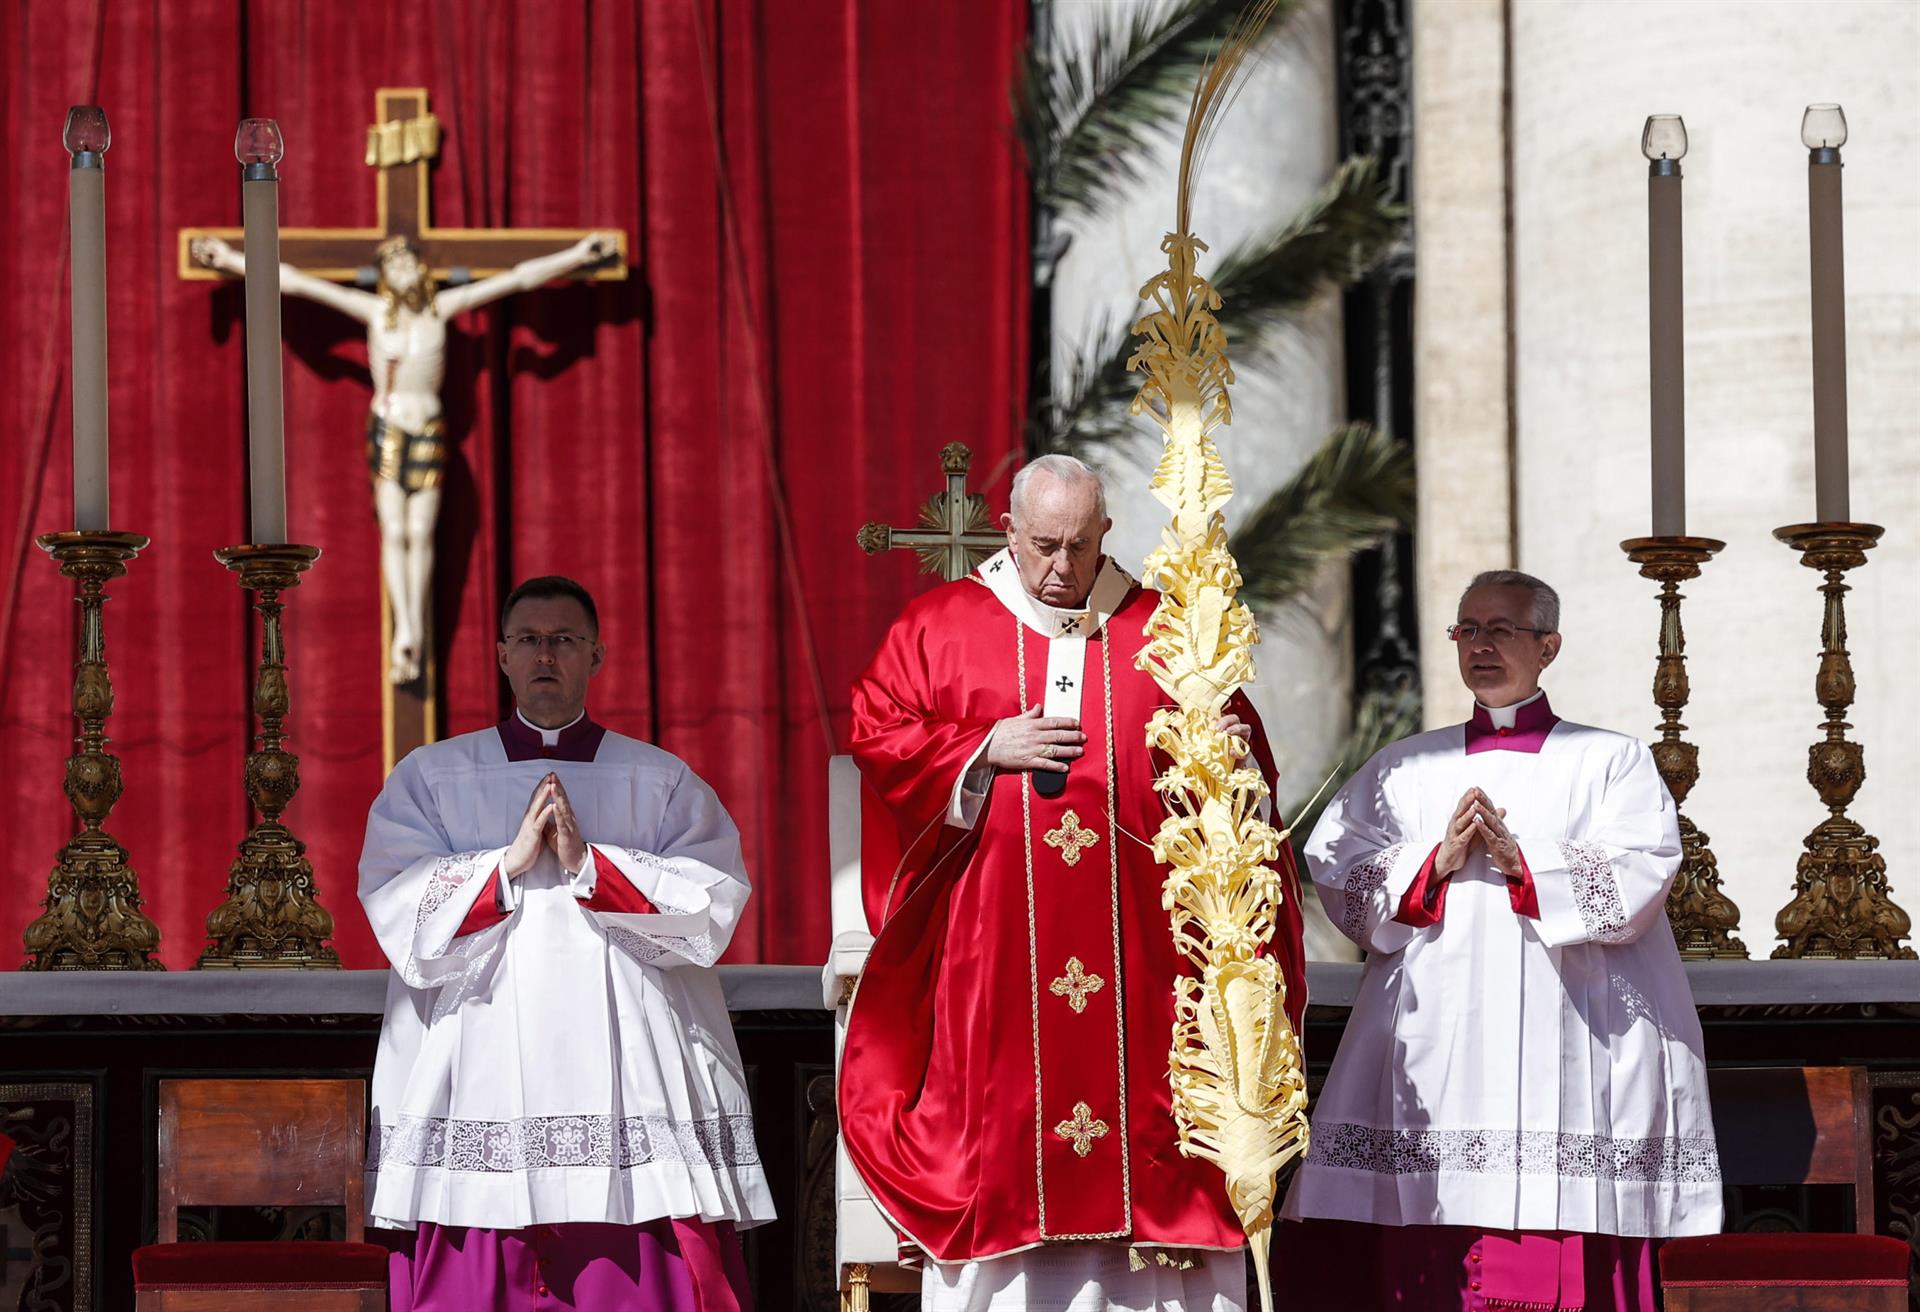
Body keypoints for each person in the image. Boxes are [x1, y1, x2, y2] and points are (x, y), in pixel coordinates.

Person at [839, 454, 1309, 1312]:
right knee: (1006, 1142)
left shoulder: (1168, 637)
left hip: (1145, 959)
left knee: (1157, 1151)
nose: (1062, 568)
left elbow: (1241, 780)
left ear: (1106, 537)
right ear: (1008, 534)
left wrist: (1225, 763)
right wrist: (981, 749)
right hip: (997, 954)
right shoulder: (941, 626)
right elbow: (878, 731)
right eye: (1045, 546)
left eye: (1081, 547)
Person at [1278, 570, 1721, 1310]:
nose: (1480, 646)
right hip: (1437, 1048)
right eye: (1467, 630)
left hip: (1570, 1040)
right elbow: (1337, 866)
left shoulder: (1610, 760)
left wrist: (1527, 864)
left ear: (1548, 646)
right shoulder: (1406, 765)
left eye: (1501, 631)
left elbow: (1642, 874)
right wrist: (1433, 863)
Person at [359, 575, 772, 1310]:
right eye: (528, 640)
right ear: (502, 656)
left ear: (596, 655)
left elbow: (712, 906)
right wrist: (505, 866)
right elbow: (395, 904)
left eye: (564, 640)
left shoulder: (660, 779)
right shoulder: (432, 776)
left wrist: (592, 865)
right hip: (477, 1053)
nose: (545, 655)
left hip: (630, 1058)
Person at [191, 232, 617, 684]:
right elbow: (297, 283)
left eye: (409, 265)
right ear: (387, 281)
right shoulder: (375, 313)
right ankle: (406, 630)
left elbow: (516, 279)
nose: (404, 273)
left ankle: (415, 623)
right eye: (394, 268)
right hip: (390, 428)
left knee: (421, 531)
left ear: (419, 271)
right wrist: (233, 260)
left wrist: (576, 255)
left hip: (429, 427)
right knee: (394, 531)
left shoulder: (441, 310)